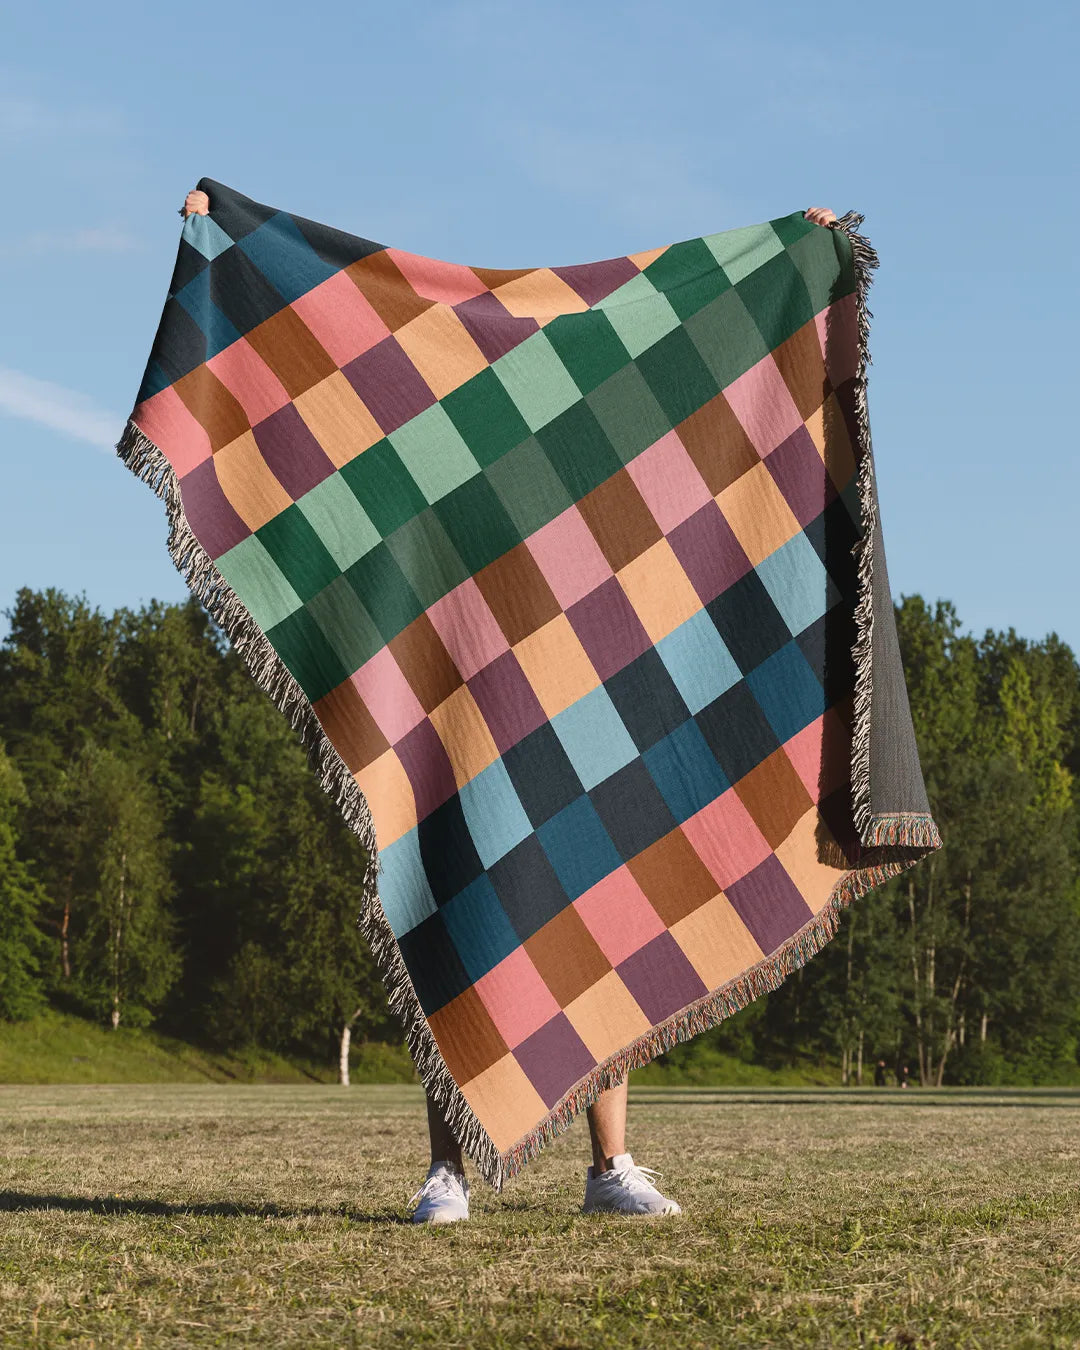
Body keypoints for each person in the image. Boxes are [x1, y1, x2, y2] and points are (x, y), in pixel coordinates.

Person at [179, 187, 839, 1223]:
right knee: (452, 903)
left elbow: (696, 374)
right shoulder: (437, 412)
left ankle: (610, 1166)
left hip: (581, 688)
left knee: (603, 902)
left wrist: (798, 251)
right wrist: (229, 243)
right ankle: (448, 1168)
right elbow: (336, 379)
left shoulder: (598, 409)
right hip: (463, 694)